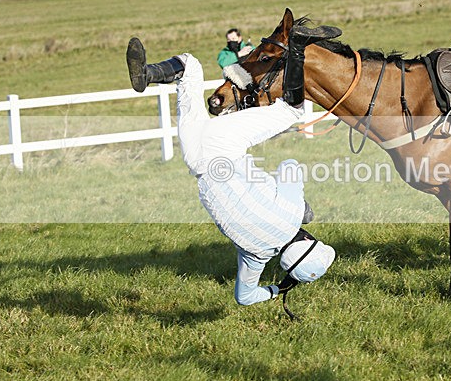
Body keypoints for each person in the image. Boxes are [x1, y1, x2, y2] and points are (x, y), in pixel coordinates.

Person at [126, 24, 342, 306]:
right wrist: (279, 288)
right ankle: (147, 74)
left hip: (224, 146)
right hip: (195, 157)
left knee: (292, 110)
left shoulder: (290, 213)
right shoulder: (256, 255)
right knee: (189, 69)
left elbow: (290, 167)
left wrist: (302, 209)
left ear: (309, 238)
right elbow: (244, 297)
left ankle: (298, 44)